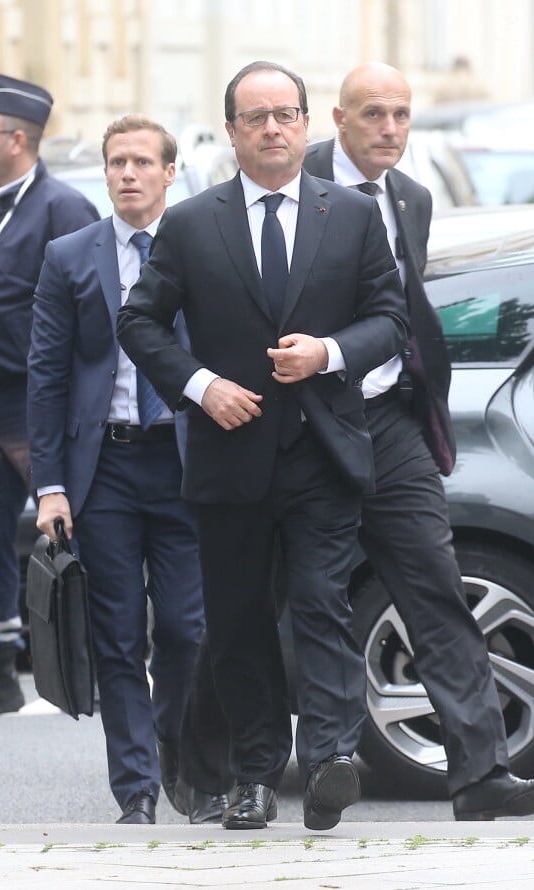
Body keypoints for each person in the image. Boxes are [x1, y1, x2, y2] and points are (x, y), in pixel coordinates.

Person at [174, 60, 534, 824]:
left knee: (432, 585)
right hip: (289, 429)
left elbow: (398, 310)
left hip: (388, 419)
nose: (392, 131)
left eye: (403, 115)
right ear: (332, 119)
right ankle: (217, 767)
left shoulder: (410, 195)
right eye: (375, 114)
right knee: (254, 601)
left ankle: (478, 773)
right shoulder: (282, 178)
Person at [117, 60, 409, 831]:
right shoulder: (189, 223)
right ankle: (253, 778)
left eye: (285, 114)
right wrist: (199, 384)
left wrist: (330, 352)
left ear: (308, 124)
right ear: (234, 132)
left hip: (323, 448)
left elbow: (391, 319)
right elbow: (139, 322)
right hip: (228, 451)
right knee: (240, 621)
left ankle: (330, 760)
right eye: (256, 118)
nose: (273, 128)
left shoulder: (348, 215)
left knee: (320, 603)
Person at [26, 114, 224, 825]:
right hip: (103, 468)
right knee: (115, 635)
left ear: (171, 172)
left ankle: (176, 752)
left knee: (184, 630)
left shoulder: (204, 246)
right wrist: (50, 485)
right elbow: (45, 375)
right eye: (117, 163)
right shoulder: (69, 256)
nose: (128, 174)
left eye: (142, 162)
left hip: (184, 463)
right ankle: (135, 790)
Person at [0, 74, 99, 717]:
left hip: (34, 402)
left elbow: (90, 310)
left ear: (17, 139)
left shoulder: (62, 208)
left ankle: (87, 659)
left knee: (70, 528)